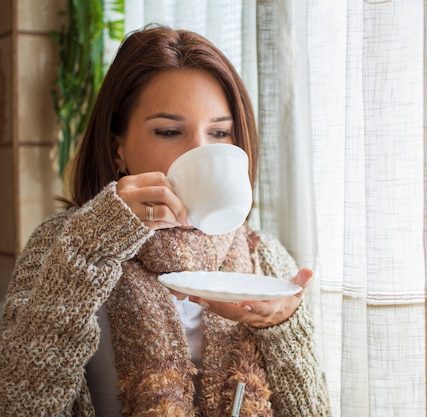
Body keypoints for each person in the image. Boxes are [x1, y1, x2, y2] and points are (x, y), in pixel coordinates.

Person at [0, 25, 331, 417]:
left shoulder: (264, 260)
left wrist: (283, 326)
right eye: (170, 131)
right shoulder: (65, 244)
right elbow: (17, 403)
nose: (199, 152)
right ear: (117, 148)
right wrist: (92, 246)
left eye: (220, 132)